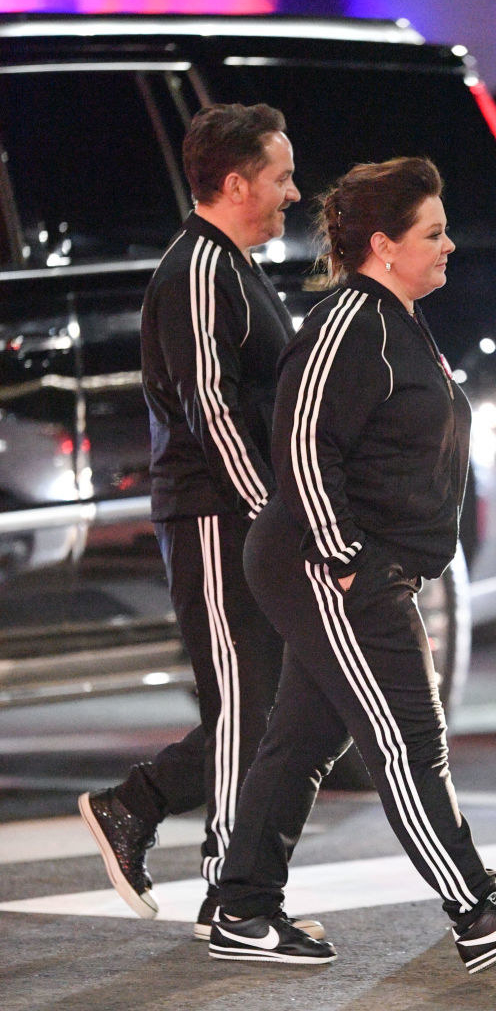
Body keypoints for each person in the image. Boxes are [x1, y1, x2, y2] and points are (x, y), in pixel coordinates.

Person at [208, 157, 496, 973]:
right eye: (433, 234)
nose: (449, 247)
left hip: (358, 563)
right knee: (409, 734)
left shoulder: (396, 319)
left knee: (304, 737)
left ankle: (243, 908)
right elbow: (304, 445)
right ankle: (477, 911)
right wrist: (344, 558)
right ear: (383, 245)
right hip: (329, 562)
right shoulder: (347, 323)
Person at [77, 103, 321, 943]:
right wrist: (270, 513)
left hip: (238, 517)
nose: (294, 194)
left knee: (264, 702)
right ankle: (229, 895)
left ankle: (149, 817)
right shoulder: (197, 271)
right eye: (282, 178)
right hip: (216, 518)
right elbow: (210, 407)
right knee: (250, 705)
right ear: (236, 182)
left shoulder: (230, 266)